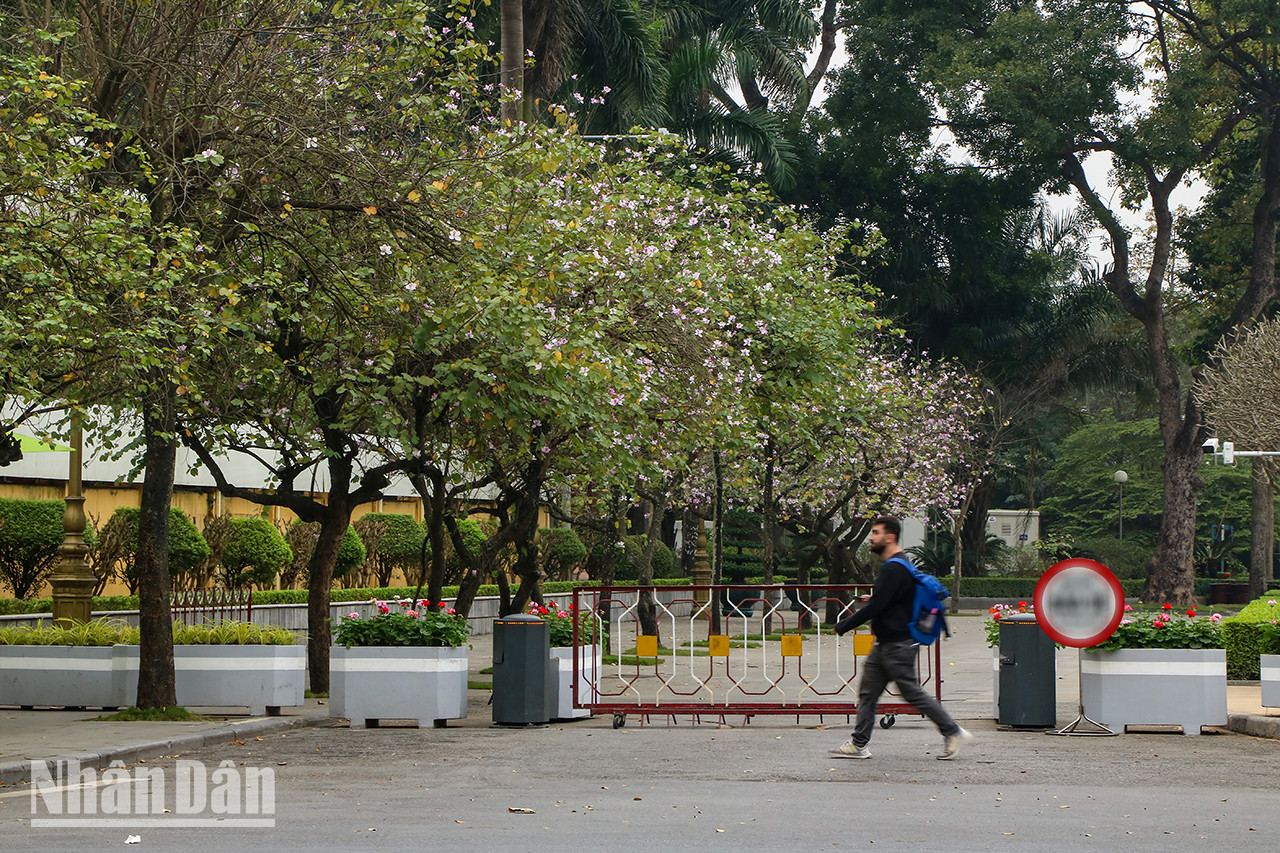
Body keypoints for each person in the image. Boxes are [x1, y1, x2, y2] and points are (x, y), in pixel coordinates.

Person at [829, 516, 973, 760]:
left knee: (912, 693)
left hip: (898, 645)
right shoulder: (901, 564)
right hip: (886, 645)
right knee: (868, 693)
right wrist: (872, 601)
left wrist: (844, 625)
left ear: (890, 537)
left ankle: (954, 731)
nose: (871, 537)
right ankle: (859, 743)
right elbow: (891, 601)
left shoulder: (894, 567)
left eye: (876, 533)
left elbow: (879, 606)